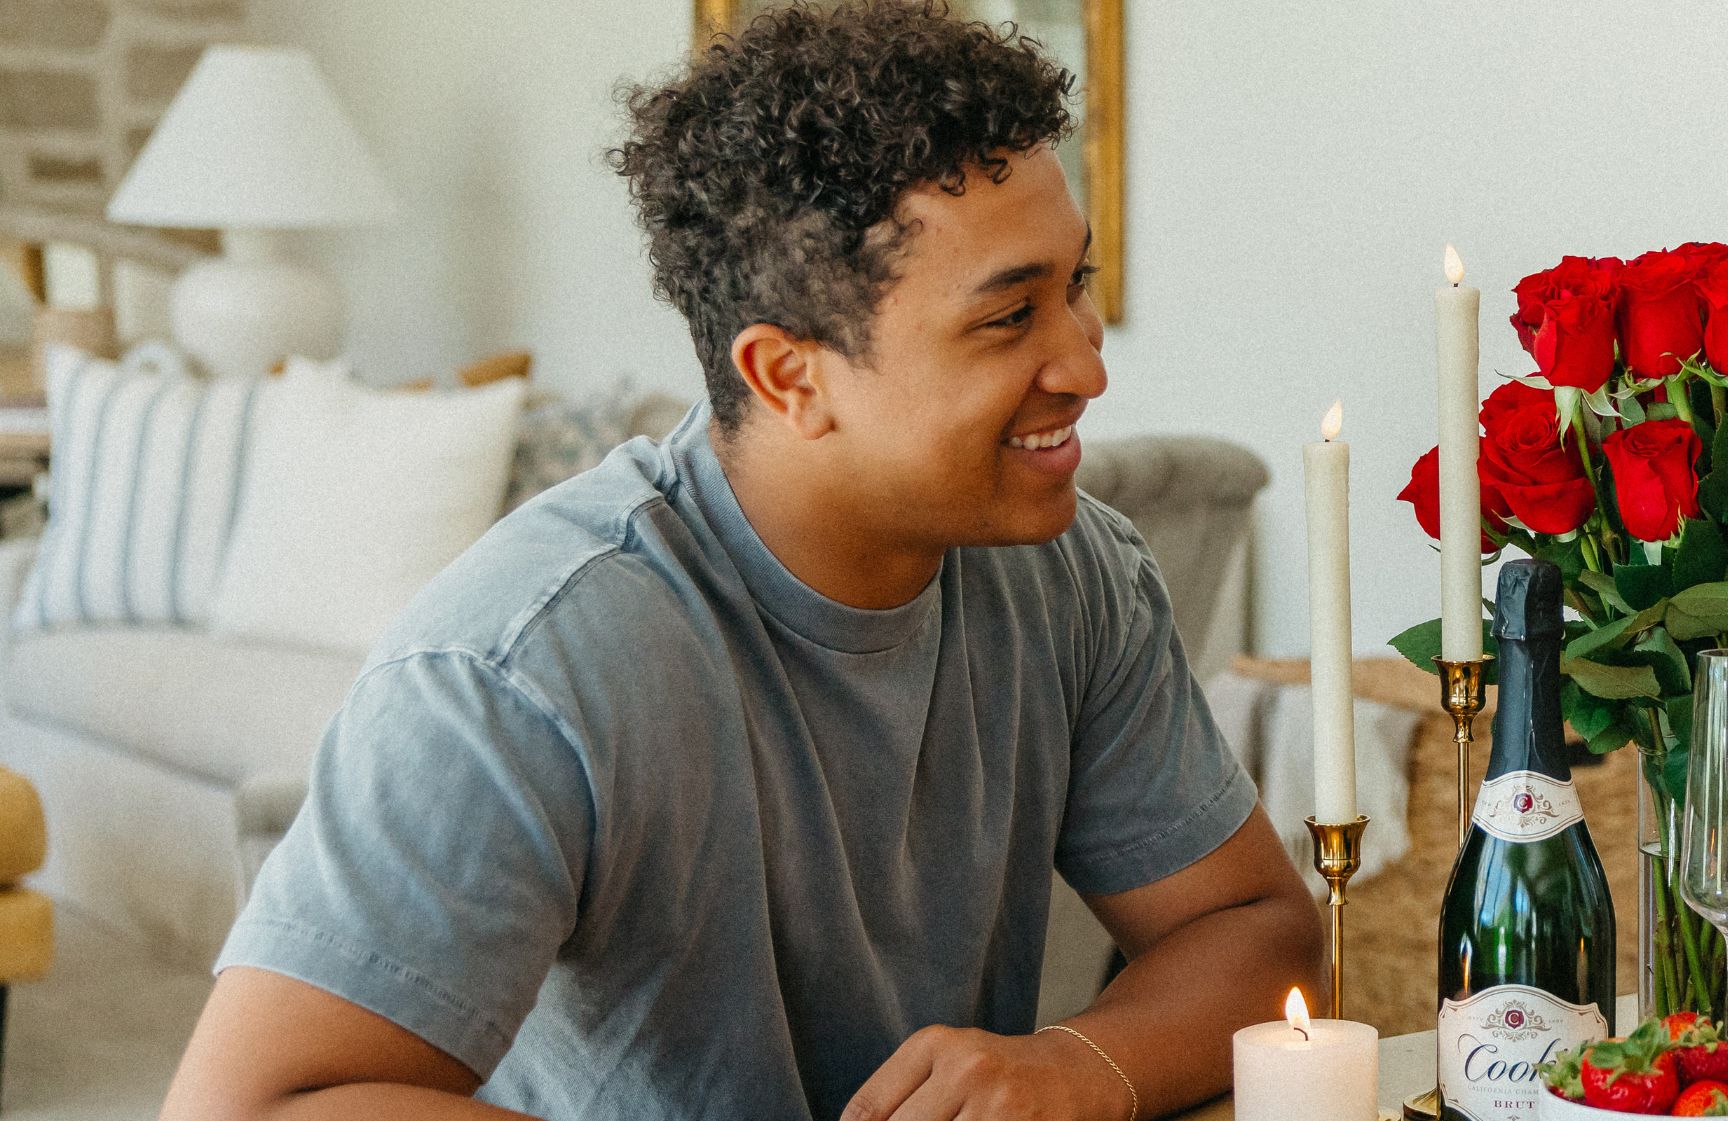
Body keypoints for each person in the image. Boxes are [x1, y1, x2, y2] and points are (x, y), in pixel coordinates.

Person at [158, 4, 1320, 1119]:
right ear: (786, 376)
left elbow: (1255, 930)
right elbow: (256, 1103)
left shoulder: (1074, 573)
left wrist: (1078, 1065)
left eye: (1076, 284)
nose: (1084, 365)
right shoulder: (521, 664)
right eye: (1008, 318)